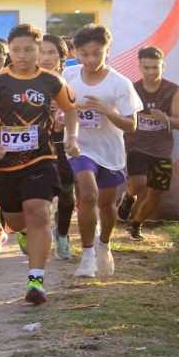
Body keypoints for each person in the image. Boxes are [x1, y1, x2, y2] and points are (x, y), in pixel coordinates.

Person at [0, 23, 79, 304]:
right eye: (16, 50)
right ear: (9, 51)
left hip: (41, 158)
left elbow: (70, 108)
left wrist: (72, 136)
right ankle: (24, 232)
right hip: (3, 165)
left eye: (29, 49)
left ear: (39, 50)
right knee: (15, 222)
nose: (22, 55)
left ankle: (36, 281)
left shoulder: (52, 81)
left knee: (38, 211)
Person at [63, 24, 142, 278]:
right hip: (80, 146)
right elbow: (62, 108)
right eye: (84, 53)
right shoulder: (68, 75)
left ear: (107, 51)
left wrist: (106, 111)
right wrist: (61, 120)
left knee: (107, 206)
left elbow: (131, 125)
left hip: (109, 150)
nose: (90, 59)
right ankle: (87, 256)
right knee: (87, 195)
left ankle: (104, 244)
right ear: (76, 52)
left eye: (97, 53)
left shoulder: (120, 83)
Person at [119, 47, 179, 241]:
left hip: (162, 149)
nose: (151, 72)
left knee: (156, 194)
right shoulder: (132, 89)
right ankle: (129, 196)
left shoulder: (173, 90)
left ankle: (136, 224)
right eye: (146, 67)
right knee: (138, 183)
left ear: (163, 66)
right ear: (139, 67)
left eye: (155, 67)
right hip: (136, 145)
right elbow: (122, 116)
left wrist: (165, 118)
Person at [38, 34, 76, 259]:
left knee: (66, 195)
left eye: (51, 52)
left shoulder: (71, 79)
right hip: (34, 144)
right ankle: (31, 234)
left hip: (62, 143)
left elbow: (76, 109)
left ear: (62, 57)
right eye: (41, 52)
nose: (45, 57)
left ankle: (62, 234)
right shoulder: (24, 80)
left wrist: (63, 115)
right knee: (37, 196)